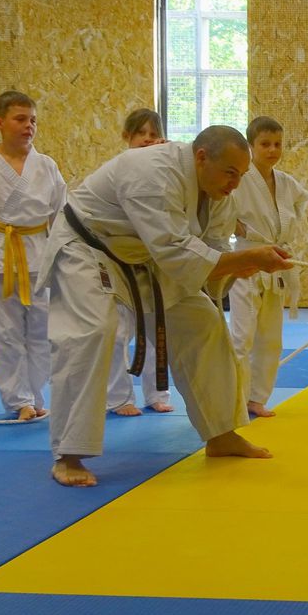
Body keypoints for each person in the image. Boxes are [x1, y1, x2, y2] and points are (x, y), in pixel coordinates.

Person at [39, 126, 292, 487]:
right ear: (201, 157)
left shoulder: (221, 195)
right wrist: (239, 259)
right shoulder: (154, 173)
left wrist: (237, 265)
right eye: (230, 173)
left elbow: (212, 255)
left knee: (203, 321)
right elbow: (176, 253)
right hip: (89, 246)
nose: (235, 184)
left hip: (147, 256)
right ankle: (68, 452)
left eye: (241, 175)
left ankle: (221, 434)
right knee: (93, 331)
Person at [0, 90, 66, 422]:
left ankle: (35, 395)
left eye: (32, 120)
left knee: (42, 330)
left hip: (39, 253)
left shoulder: (46, 166)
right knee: (4, 332)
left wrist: (65, 255)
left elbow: (61, 215)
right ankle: (18, 400)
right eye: (20, 119)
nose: (28, 126)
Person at [229, 116, 308, 417]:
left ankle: (257, 398)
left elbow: (302, 204)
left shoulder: (286, 182)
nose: (272, 150)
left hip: (275, 264)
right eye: (265, 144)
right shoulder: (239, 179)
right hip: (247, 263)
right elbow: (221, 210)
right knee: (242, 337)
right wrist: (236, 226)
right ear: (251, 146)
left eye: (277, 144)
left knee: (271, 338)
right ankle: (234, 401)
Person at [106, 109, 174, 416]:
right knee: (119, 332)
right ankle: (119, 397)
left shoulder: (164, 171)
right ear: (126, 137)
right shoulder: (115, 170)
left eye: (152, 133)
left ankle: (156, 393)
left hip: (152, 259)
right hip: (118, 259)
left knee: (155, 327)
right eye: (140, 134)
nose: (147, 139)